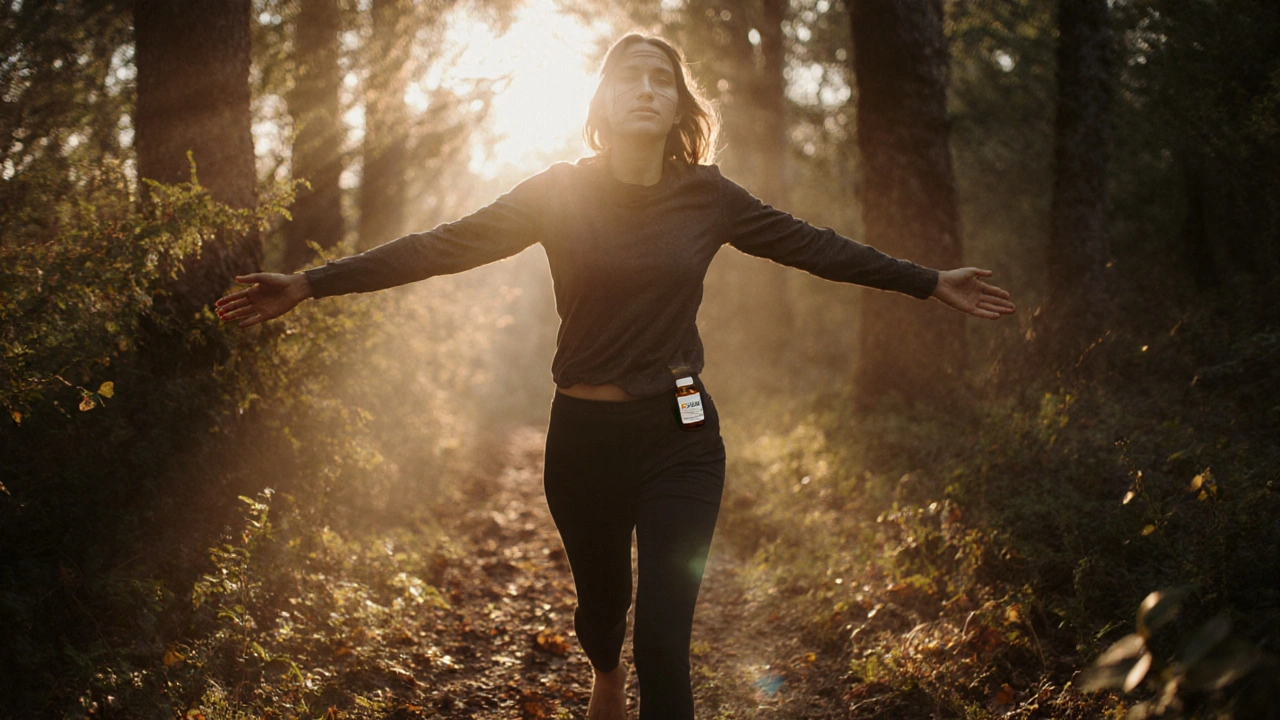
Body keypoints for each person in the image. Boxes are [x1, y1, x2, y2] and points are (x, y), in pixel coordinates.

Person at [216, 33, 1015, 720]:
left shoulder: (708, 197)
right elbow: (439, 245)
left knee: (663, 641)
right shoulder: (557, 193)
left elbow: (818, 245)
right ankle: (604, 673)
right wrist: (310, 283)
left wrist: (928, 280)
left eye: (662, 79)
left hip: (681, 436)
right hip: (583, 440)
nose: (646, 88)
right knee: (603, 610)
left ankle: (636, 674)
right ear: (601, 102)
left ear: (678, 107)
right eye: (630, 76)